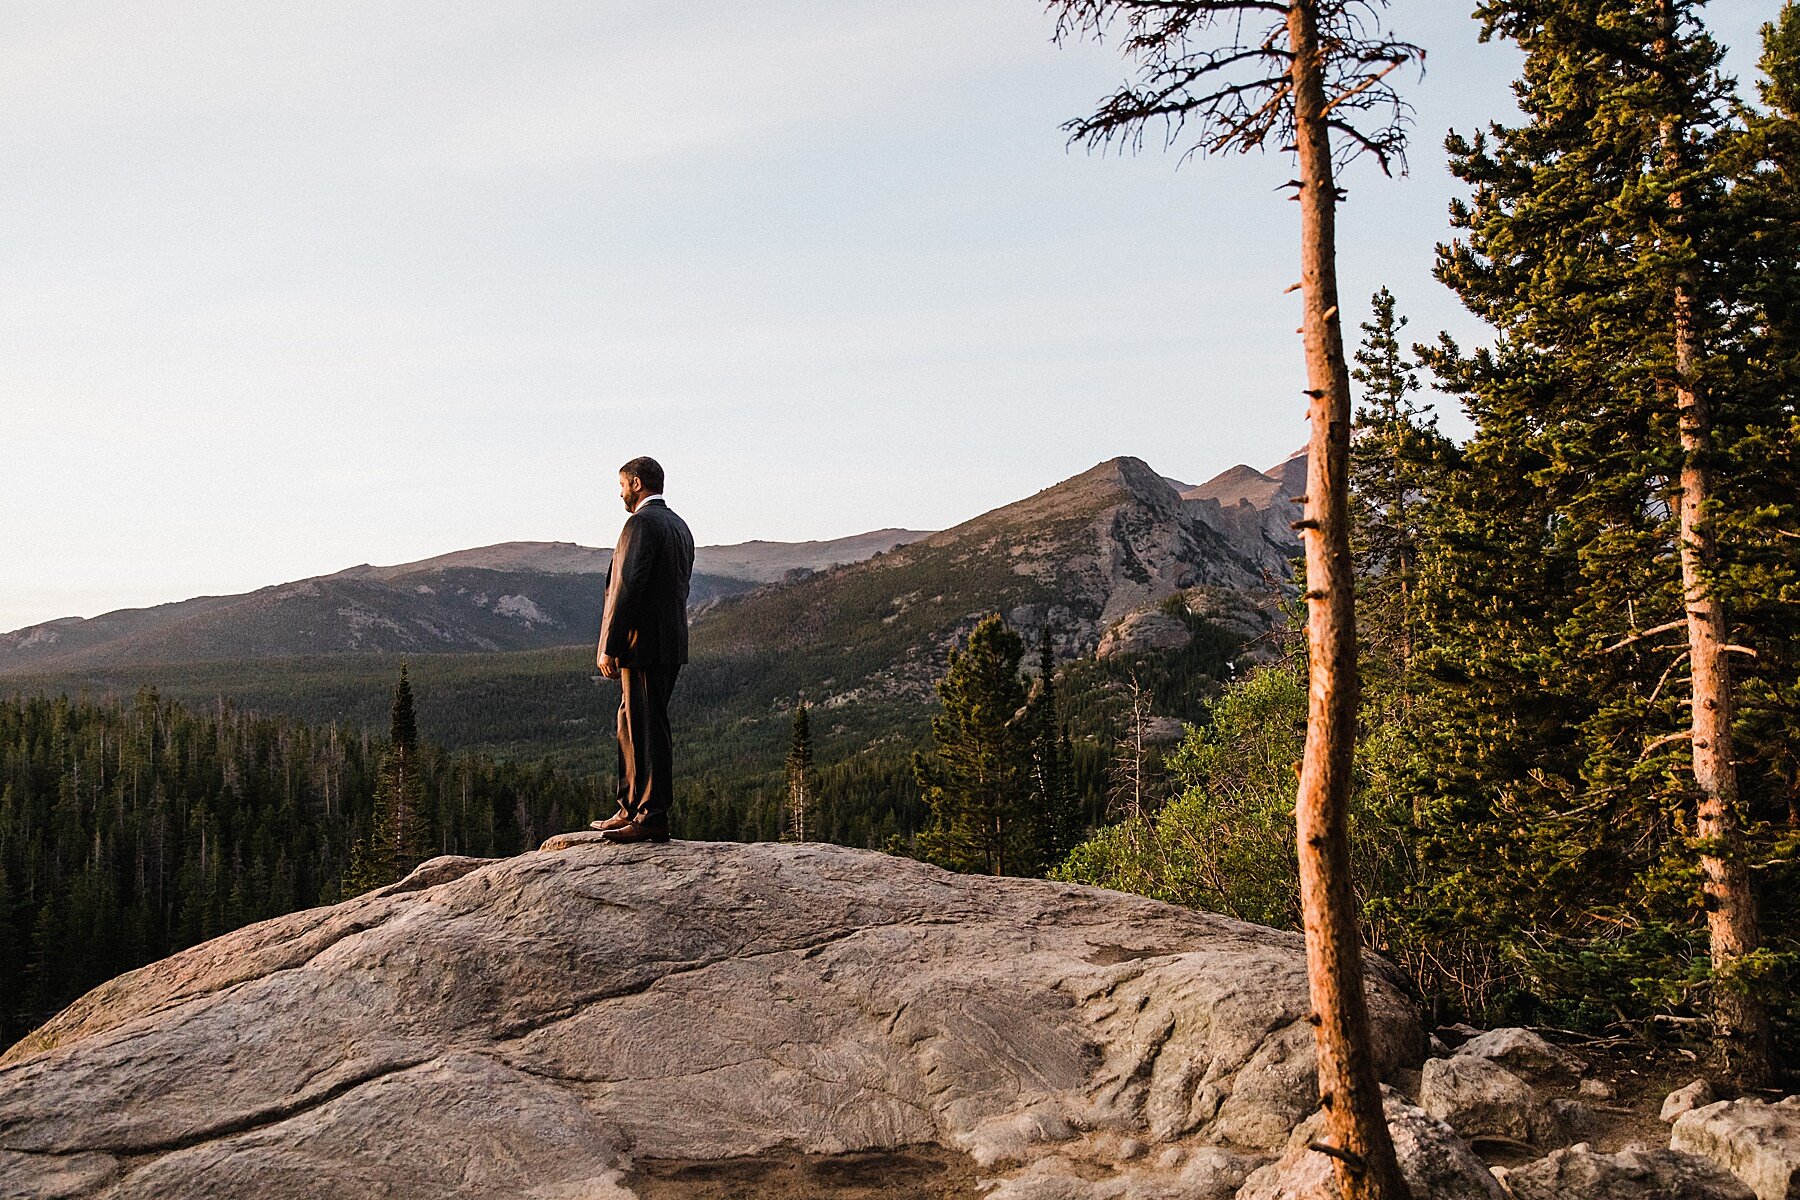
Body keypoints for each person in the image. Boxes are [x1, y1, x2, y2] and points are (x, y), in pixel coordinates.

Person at [589, 456, 694, 843]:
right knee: (632, 721)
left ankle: (650, 817)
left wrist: (609, 644)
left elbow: (627, 587)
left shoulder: (640, 523)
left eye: (621, 485)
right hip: (668, 641)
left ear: (636, 482)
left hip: (643, 644)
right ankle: (629, 807)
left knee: (647, 727)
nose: (619, 493)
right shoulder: (679, 526)